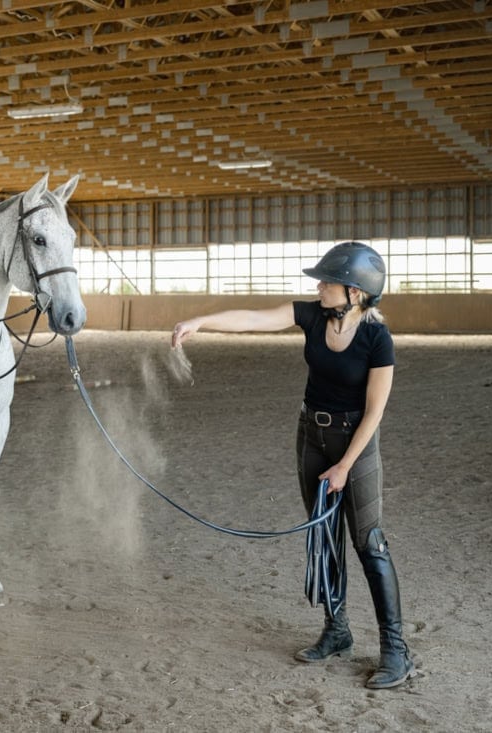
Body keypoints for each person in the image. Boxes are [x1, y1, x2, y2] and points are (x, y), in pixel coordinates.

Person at [170, 241, 416, 690]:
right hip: (311, 437)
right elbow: (254, 318)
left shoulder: (377, 338)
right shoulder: (313, 315)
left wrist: (344, 465)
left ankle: (395, 650)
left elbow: (376, 411)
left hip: (354, 446)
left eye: (327, 281)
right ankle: (337, 630)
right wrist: (202, 321)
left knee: (369, 543)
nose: (318, 286)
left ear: (355, 292)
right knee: (323, 538)